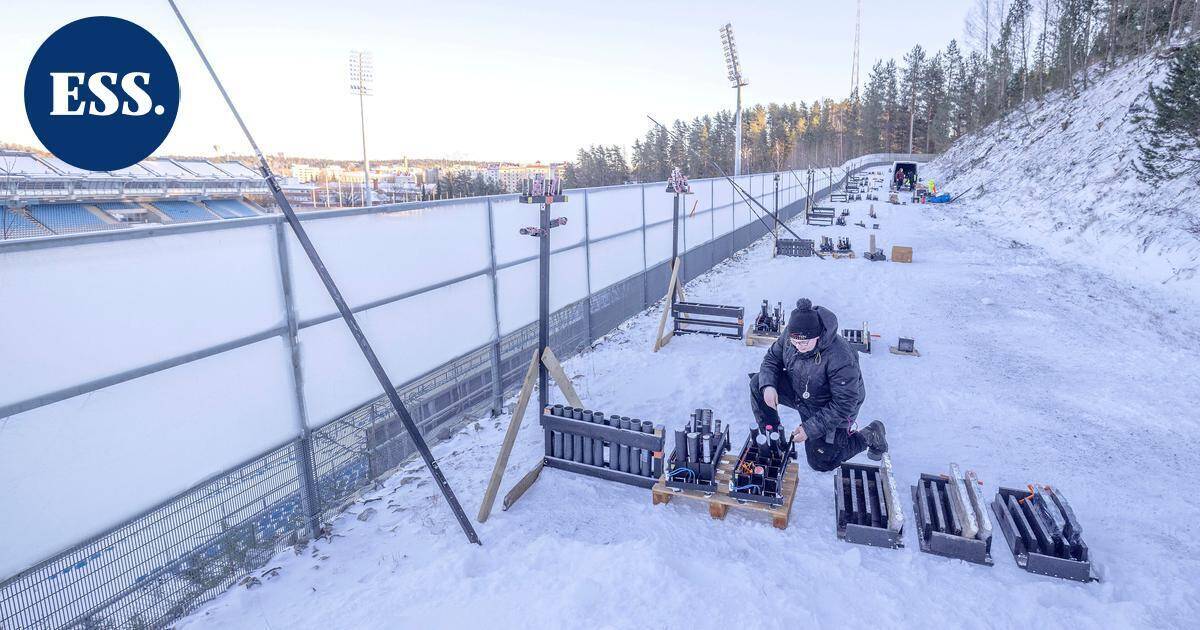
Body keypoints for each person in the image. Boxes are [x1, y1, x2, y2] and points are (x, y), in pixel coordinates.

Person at [748, 299, 888, 472]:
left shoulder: (841, 357)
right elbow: (772, 359)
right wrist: (768, 386)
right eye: (795, 342)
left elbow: (844, 403)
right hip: (801, 389)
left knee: (822, 460)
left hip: (830, 406)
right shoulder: (792, 336)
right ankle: (774, 439)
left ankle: (871, 434)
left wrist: (809, 428)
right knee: (758, 383)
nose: (798, 347)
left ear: (818, 336)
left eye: (804, 343)